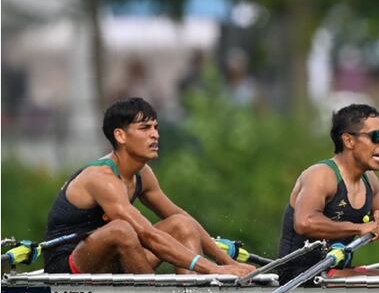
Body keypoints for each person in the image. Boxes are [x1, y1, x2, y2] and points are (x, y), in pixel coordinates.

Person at [42, 98, 252, 277]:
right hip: (69, 264)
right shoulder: (102, 178)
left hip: (117, 257)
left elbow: (181, 217)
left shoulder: (143, 174)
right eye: (144, 128)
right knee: (121, 229)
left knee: (182, 224)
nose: (155, 135)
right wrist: (213, 269)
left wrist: (228, 264)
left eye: (155, 127)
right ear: (120, 136)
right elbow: (146, 235)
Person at [276, 103, 379, 284]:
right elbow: (304, 223)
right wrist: (358, 228)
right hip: (298, 277)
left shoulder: (370, 181)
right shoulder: (320, 175)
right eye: (377, 136)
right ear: (349, 140)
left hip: (334, 273)